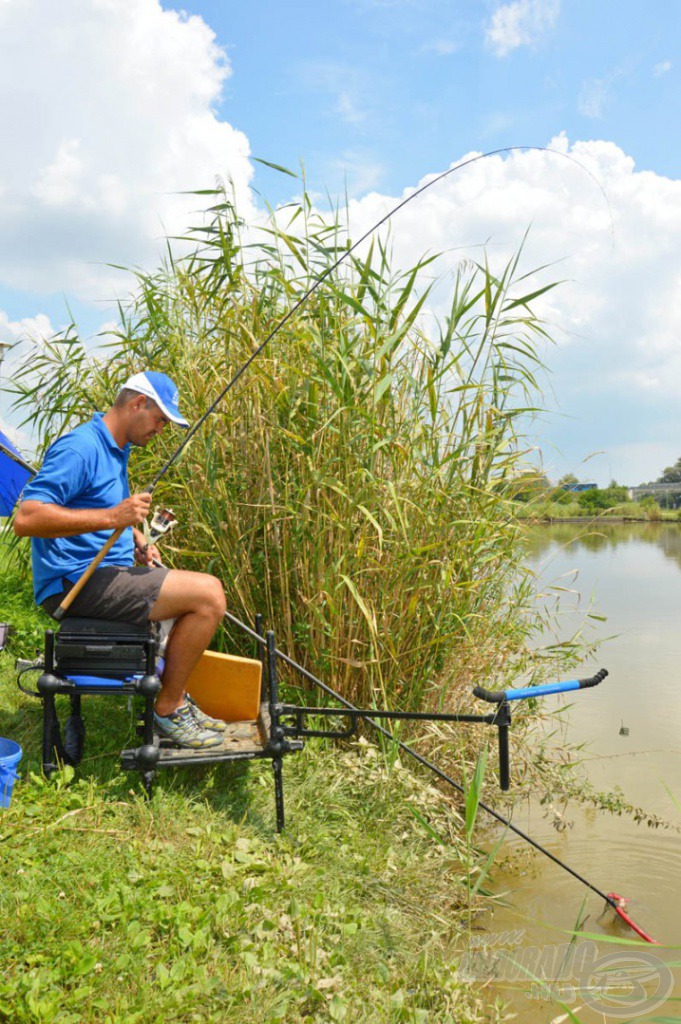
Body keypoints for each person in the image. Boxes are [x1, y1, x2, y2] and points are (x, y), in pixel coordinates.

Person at [13, 370, 227, 750]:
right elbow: (27, 518)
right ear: (137, 404)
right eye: (160, 419)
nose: (161, 429)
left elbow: (98, 509)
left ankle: (174, 698)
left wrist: (137, 538)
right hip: (71, 583)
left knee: (192, 595)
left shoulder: (115, 447)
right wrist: (115, 517)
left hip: (105, 573)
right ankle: (168, 707)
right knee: (208, 594)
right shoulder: (81, 447)